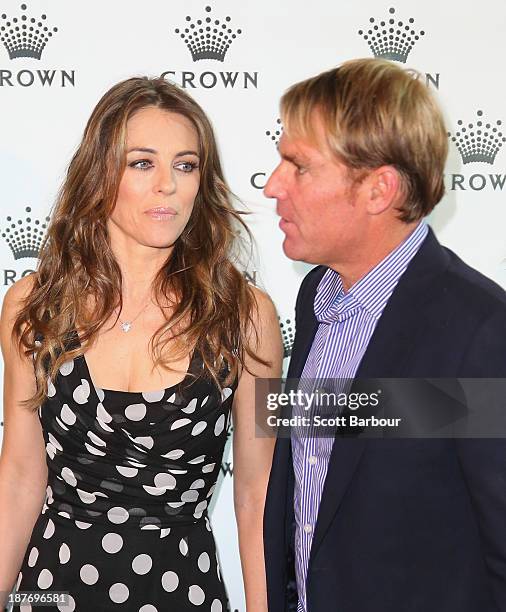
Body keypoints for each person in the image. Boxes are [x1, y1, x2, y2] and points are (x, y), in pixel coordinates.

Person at [0, 76, 282, 612]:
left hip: (180, 590)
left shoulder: (244, 316)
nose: (168, 186)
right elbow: (18, 477)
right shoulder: (33, 307)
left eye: (185, 165)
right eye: (142, 163)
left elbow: (256, 492)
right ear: (100, 173)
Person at [262, 58, 506, 612]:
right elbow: (310, 491)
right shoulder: (314, 299)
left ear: (379, 189)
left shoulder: (482, 332)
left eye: (298, 166)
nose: (274, 185)